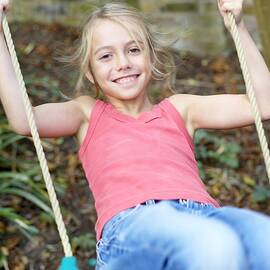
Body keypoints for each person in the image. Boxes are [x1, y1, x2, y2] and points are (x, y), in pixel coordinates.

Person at [1, 0, 270, 269]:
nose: (123, 63)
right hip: (133, 226)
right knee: (212, 242)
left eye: (133, 50)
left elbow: (264, 104)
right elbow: (26, 120)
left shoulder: (181, 109)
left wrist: (239, 25)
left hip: (205, 216)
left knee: (262, 238)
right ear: (91, 73)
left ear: (151, 57)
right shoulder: (87, 114)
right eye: (106, 56)